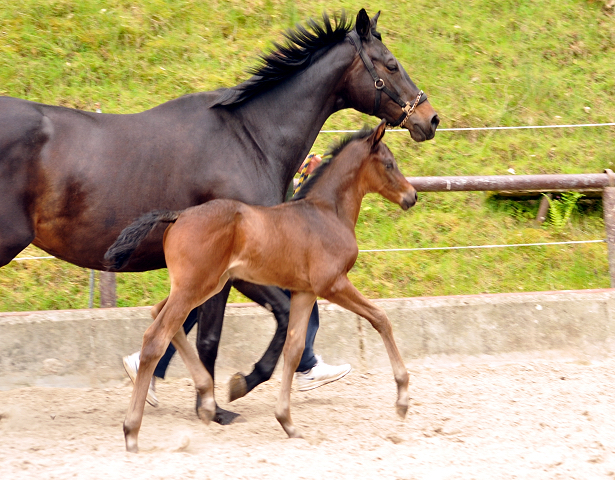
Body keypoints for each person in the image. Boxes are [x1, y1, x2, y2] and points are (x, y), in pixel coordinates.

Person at [123, 153, 351, 407]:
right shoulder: (259, 155)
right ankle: (305, 366)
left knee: (201, 294)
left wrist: (299, 171)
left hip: (252, 228)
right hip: (250, 237)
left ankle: (305, 363)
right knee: (299, 288)